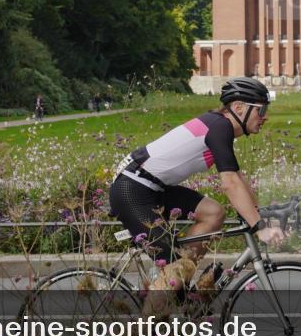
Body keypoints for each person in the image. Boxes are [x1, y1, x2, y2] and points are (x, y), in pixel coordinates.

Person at [109, 77, 286, 301]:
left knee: (214, 213)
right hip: (132, 189)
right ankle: (150, 318)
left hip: (153, 187)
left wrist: (260, 215)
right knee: (173, 275)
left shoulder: (220, 127)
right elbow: (230, 183)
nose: (264, 117)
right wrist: (259, 228)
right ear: (239, 107)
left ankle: (180, 287)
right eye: (261, 110)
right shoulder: (220, 126)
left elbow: (238, 179)